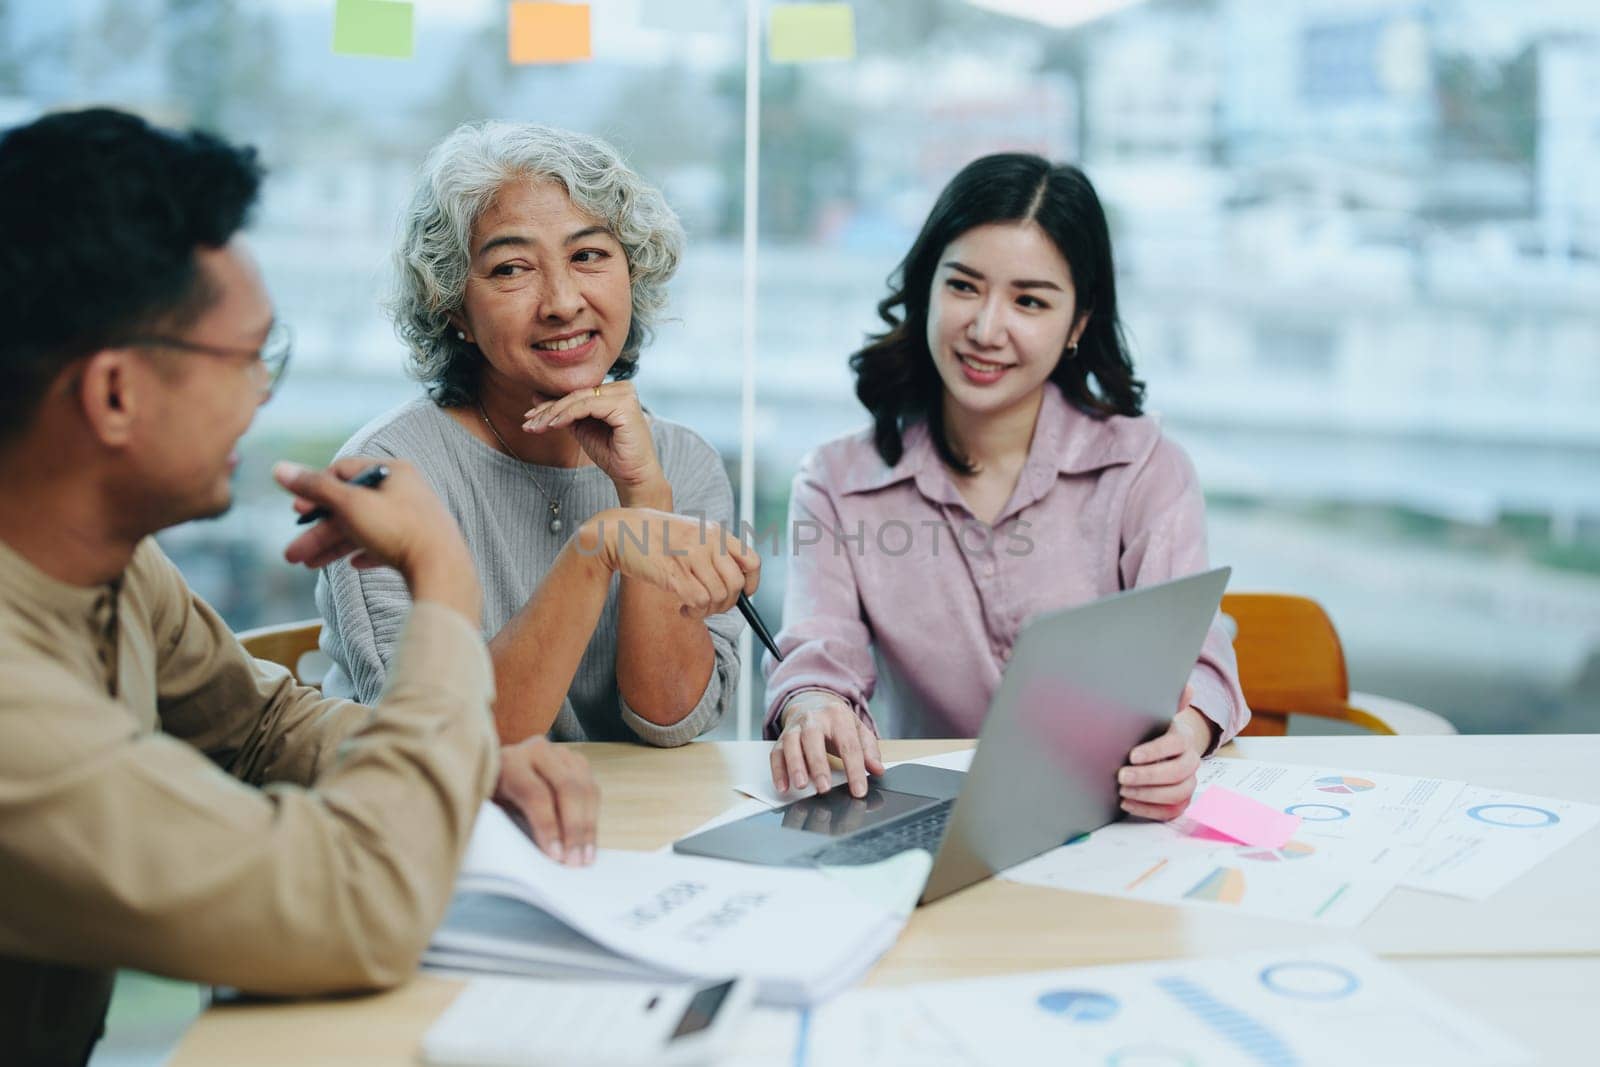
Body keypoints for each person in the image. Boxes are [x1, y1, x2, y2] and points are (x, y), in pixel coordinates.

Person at [0, 107, 757, 1067]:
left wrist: (472, 760)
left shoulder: (114, 565)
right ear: (113, 394)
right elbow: (358, 906)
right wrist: (440, 573)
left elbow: (263, 729)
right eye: (246, 361)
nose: (263, 399)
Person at [764, 153, 1249, 817]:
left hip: (1106, 822)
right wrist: (813, 706)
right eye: (963, 286)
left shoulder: (1145, 468)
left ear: (1078, 322)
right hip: (922, 820)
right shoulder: (836, 482)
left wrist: (1184, 738)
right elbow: (820, 658)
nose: (987, 329)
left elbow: (1198, 660)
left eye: (1029, 300)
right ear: (924, 288)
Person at [317, 121, 742, 749]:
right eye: (513, 268)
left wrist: (645, 497)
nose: (563, 301)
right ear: (453, 305)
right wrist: (598, 549)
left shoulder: (682, 461)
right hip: (443, 828)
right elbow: (445, 746)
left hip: (632, 830)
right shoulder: (385, 474)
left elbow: (672, 719)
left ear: (633, 271)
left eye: (588, 255)